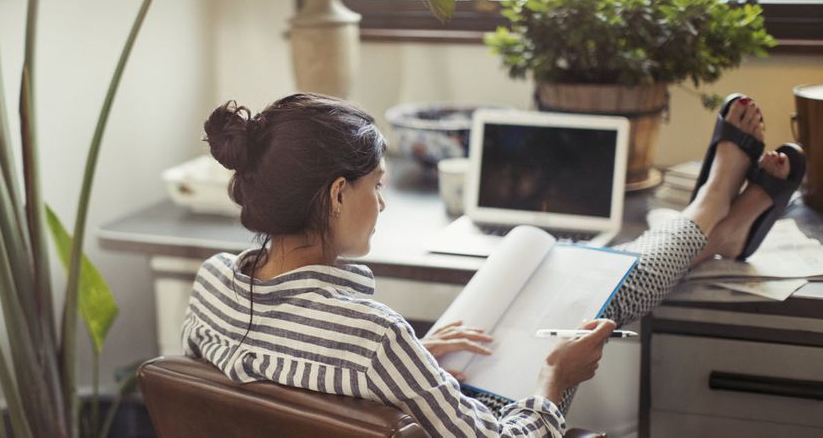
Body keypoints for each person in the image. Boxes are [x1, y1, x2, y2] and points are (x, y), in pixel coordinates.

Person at [181, 93, 792, 437]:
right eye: (378, 185)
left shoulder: (212, 284)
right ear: (338, 194)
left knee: (597, 279)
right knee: (600, 292)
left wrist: (413, 357)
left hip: (406, 392)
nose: (384, 202)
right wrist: (554, 379)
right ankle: (712, 210)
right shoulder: (373, 340)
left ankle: (716, 228)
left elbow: (291, 383)